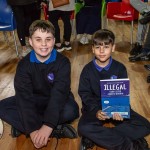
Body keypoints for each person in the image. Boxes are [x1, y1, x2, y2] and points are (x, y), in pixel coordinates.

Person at [0, 20, 79, 149]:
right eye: (38, 39)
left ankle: (29, 128)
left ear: (54, 41)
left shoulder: (63, 62)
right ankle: (55, 130)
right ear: (30, 42)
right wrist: (32, 131)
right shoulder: (24, 65)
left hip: (56, 100)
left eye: (48, 39)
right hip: (34, 101)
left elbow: (59, 95)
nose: (44, 44)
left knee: (71, 111)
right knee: (2, 107)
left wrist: (47, 126)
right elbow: (24, 97)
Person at [78, 29, 150, 150]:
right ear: (92, 49)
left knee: (145, 125)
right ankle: (131, 145)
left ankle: (98, 136)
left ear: (113, 48)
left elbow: (122, 93)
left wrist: (119, 110)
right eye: (97, 47)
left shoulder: (120, 68)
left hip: (116, 107)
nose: (101, 51)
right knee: (83, 128)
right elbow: (84, 94)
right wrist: (96, 110)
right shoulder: (87, 70)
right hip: (95, 108)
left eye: (106, 46)